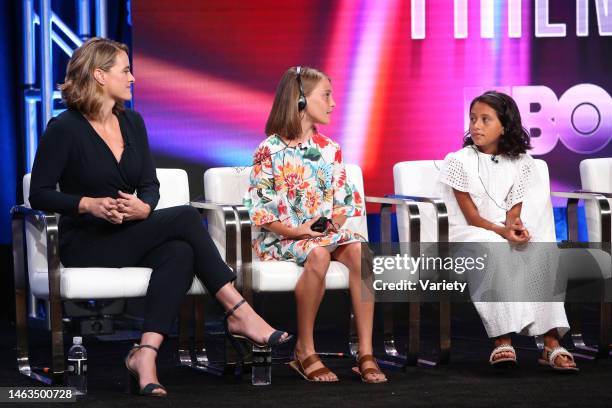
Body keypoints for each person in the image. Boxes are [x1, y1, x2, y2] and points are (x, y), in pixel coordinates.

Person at [29, 37, 291, 397]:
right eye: (125, 70)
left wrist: (145, 207)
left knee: (180, 253)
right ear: (100, 76)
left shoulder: (133, 122)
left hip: (129, 233)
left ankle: (145, 356)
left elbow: (149, 185)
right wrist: (87, 204)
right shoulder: (64, 128)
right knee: (184, 218)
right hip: (86, 242)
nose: (133, 78)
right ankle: (237, 310)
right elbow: (39, 193)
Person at [244, 66, 387, 383]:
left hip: (321, 234)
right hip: (282, 238)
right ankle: (305, 350)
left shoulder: (330, 149)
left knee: (361, 252)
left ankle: (365, 352)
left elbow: (344, 202)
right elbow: (262, 212)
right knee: (319, 254)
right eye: (326, 95)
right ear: (301, 100)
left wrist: (326, 226)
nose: (333, 103)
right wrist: (300, 231)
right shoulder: (269, 150)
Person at [438, 90, 578, 371]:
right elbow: (471, 217)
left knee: (540, 249)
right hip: (469, 231)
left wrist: (515, 228)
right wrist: (502, 233)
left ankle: (550, 343)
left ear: (504, 126)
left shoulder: (523, 163)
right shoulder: (458, 161)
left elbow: (514, 211)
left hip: (500, 230)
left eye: (485, 119)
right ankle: (502, 341)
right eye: (473, 118)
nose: (475, 125)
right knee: (494, 248)